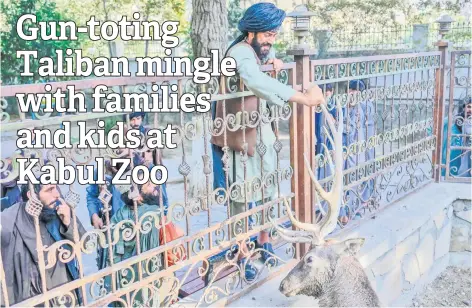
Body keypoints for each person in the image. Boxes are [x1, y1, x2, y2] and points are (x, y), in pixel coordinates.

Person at [210, 2, 326, 281]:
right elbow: (254, 80)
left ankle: (264, 242)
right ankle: (241, 253)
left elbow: (263, 66)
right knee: (241, 197)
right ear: (250, 32)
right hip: (238, 138)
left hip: (261, 135)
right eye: (266, 35)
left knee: (268, 190)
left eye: (274, 35)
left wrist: (274, 63)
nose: (270, 41)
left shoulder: (254, 50)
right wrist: (303, 98)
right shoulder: (239, 52)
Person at [86, 111, 169, 270]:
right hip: (113, 234)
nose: (120, 149)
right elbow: (91, 195)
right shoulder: (101, 170)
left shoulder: (145, 168)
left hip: (142, 234)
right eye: (116, 145)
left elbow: (163, 202)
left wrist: (161, 222)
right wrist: (94, 215)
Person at [0, 180, 86, 306]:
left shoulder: (61, 209)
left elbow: (87, 245)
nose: (56, 194)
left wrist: (68, 223)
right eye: (49, 190)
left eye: (56, 188)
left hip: (64, 293)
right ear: (31, 195)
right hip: (32, 296)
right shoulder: (11, 217)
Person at [102, 172, 170, 306]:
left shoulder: (119, 214)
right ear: (136, 195)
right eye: (149, 185)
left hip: (122, 280)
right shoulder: (152, 214)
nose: (155, 186)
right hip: (141, 281)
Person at [343, 79, 376, 222]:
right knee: (354, 176)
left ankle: (359, 204)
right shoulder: (348, 106)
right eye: (350, 91)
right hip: (355, 146)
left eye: (355, 92)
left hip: (360, 145)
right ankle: (356, 205)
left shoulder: (362, 107)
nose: (352, 94)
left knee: (358, 175)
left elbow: (352, 127)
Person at [442, 97, 472, 177]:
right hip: (458, 147)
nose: (470, 110)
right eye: (469, 107)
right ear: (464, 107)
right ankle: (450, 175)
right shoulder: (457, 119)